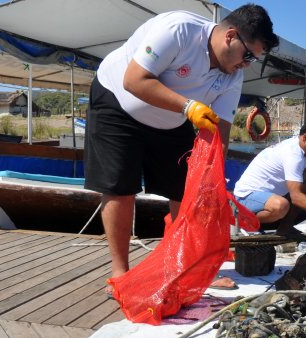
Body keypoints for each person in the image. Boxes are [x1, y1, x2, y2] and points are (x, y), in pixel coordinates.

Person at [84, 5, 278, 283]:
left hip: (172, 119)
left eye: (253, 60)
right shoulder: (179, 30)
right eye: (247, 55)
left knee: (188, 193)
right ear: (231, 36)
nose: (246, 65)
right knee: (119, 188)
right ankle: (120, 273)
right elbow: (134, 80)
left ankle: (186, 267)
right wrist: (188, 107)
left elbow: (219, 134)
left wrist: (213, 180)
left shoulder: (233, 76)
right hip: (118, 100)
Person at [232, 119, 306, 238]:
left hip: (265, 197)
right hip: (245, 197)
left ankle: (285, 228)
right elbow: (296, 198)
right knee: (281, 206)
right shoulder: (292, 154)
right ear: (305, 138)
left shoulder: (303, 153)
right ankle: (241, 219)